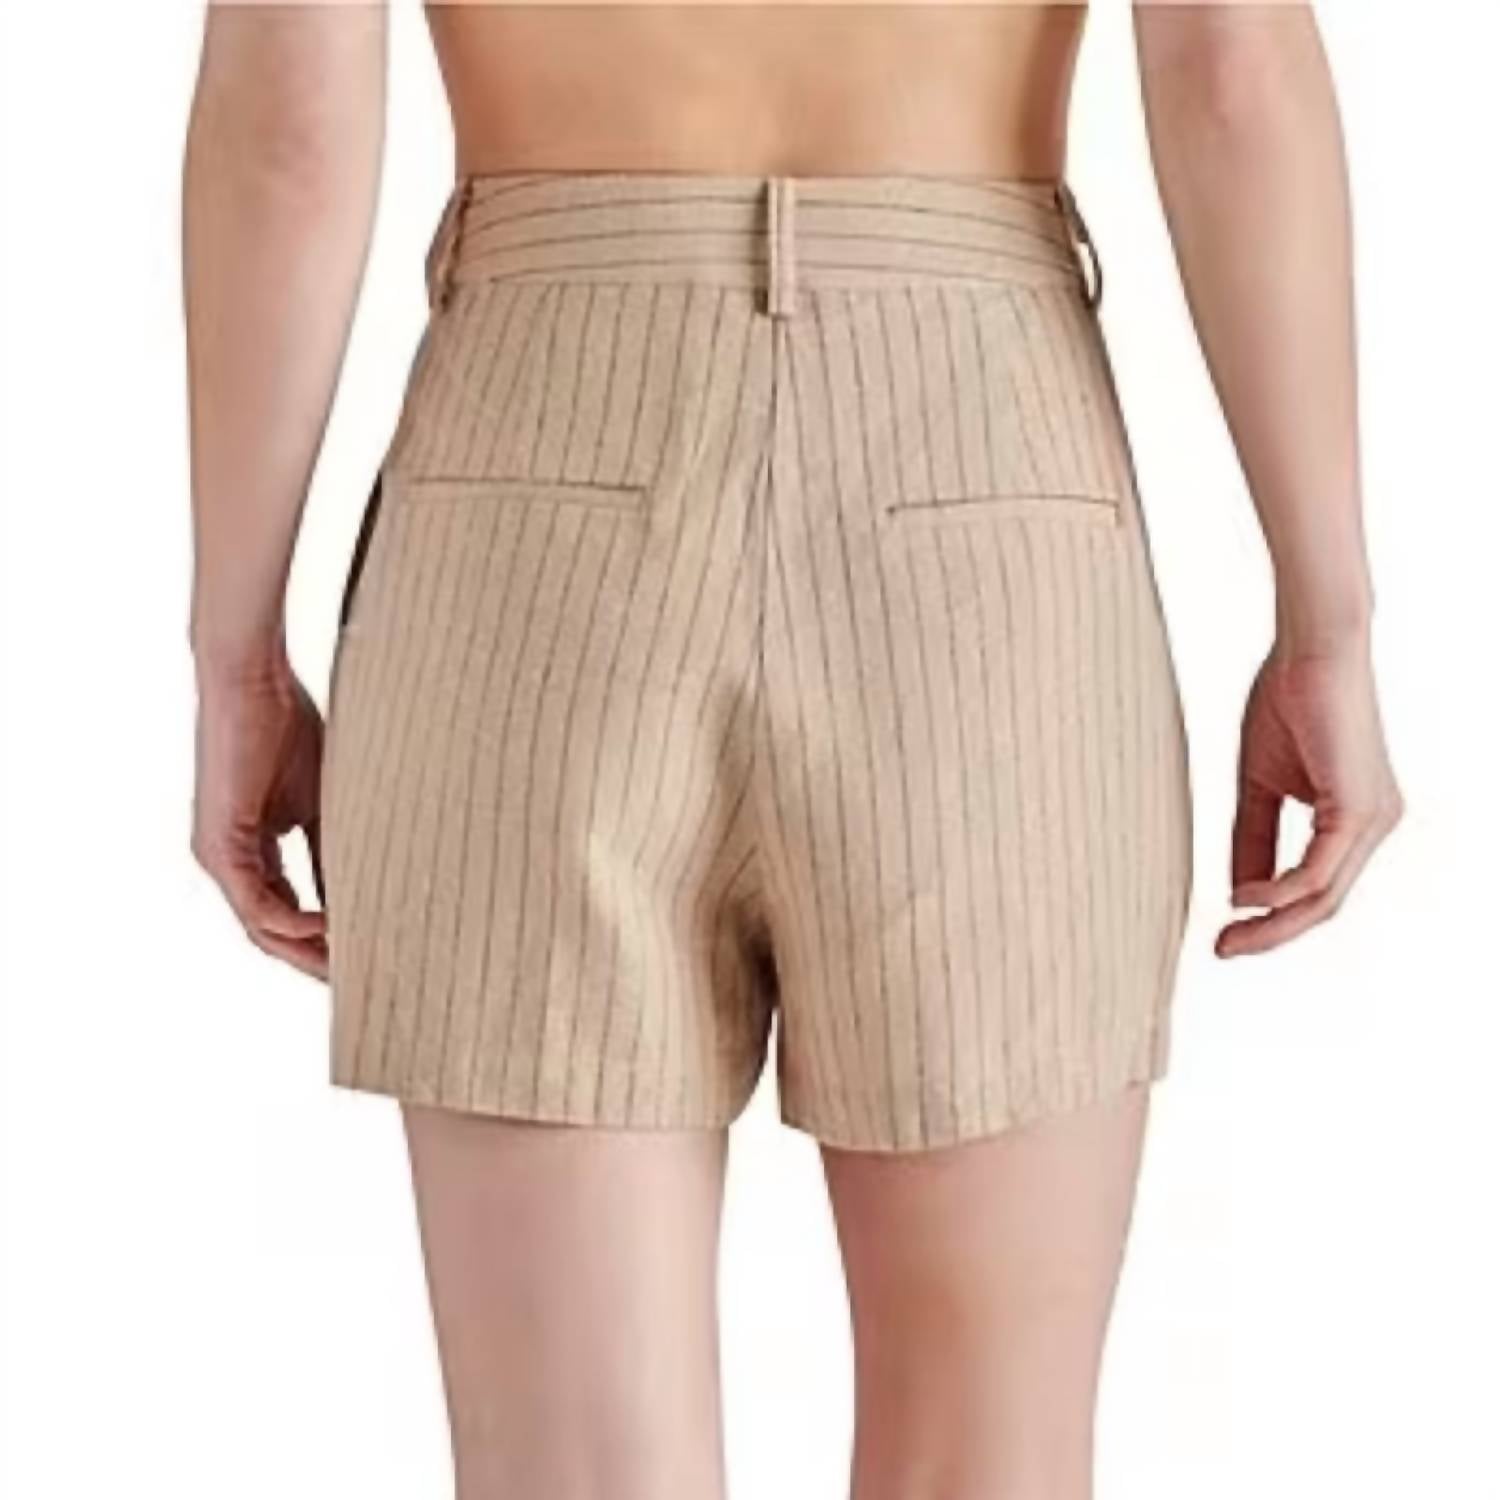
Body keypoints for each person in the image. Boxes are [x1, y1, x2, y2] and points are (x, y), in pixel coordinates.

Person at [182, 4, 1402, 1497]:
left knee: (572, 1471)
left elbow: (290, 123)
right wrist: (1327, 619)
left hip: (533, 467)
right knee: (992, 1453)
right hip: (980, 468)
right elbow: (1230, 68)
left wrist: (237, 655)